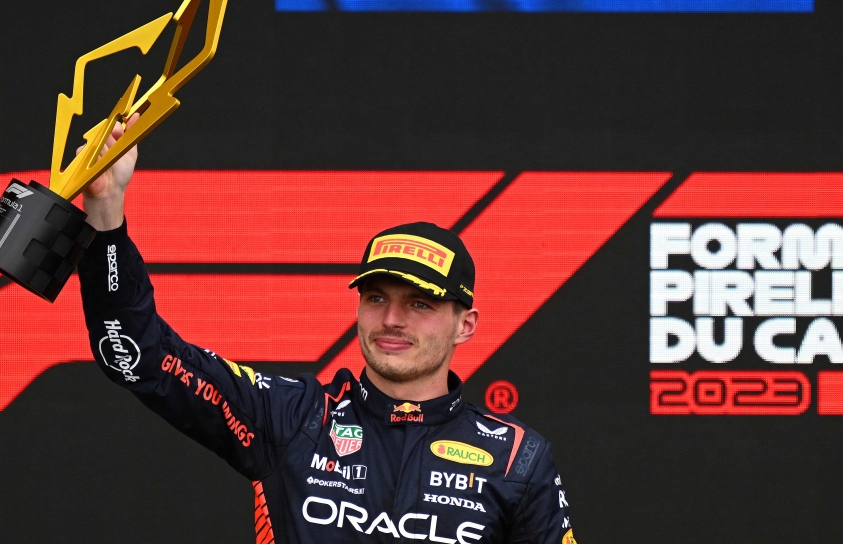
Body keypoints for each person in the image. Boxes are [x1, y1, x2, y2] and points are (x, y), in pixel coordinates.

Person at [77, 116, 576, 544]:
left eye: (419, 304)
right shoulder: (292, 417)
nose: (392, 320)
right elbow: (136, 354)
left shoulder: (516, 457)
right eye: (376, 298)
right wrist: (105, 208)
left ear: (465, 325)